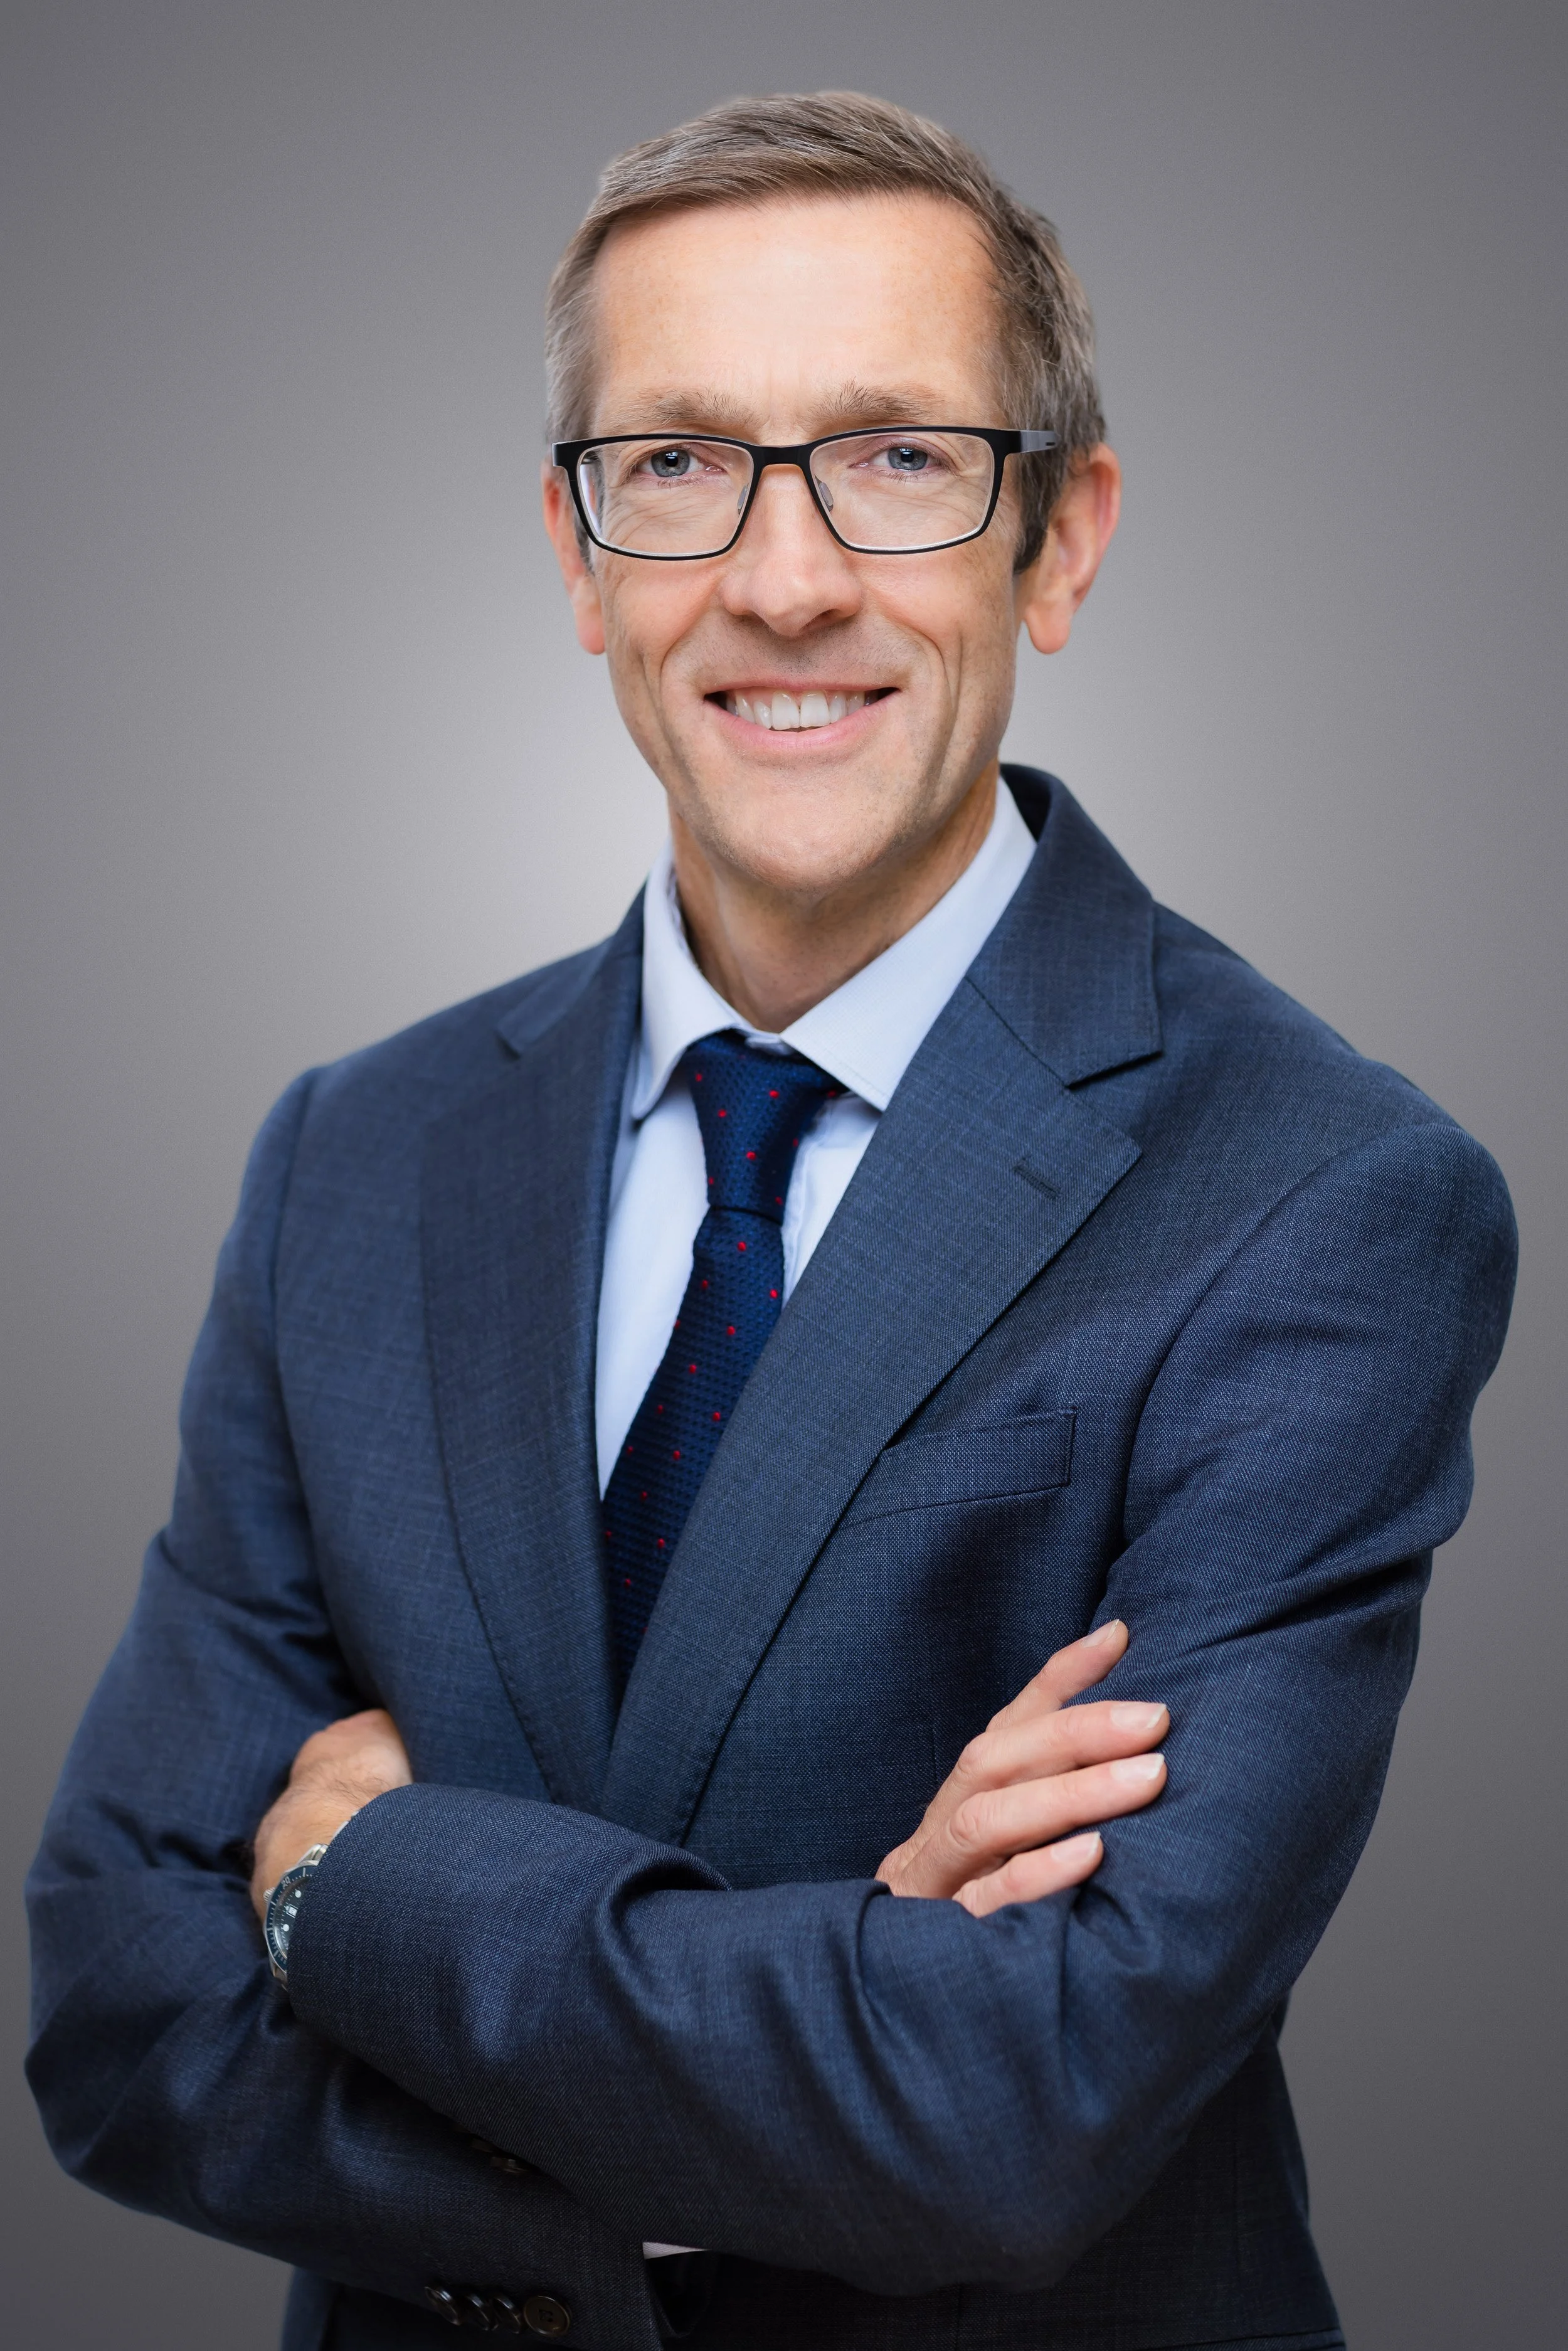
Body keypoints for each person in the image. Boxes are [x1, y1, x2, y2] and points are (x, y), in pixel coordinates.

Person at [28, 90, 1515, 2351]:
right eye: (679, 462)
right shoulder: (359, 1151)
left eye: (899, 456)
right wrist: (833, 1993)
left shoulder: (1323, 1201)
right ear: (575, 552)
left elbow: (1021, 2098)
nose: (785, 573)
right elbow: (116, 1998)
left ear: (1063, 536)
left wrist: (345, 1883)